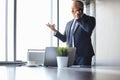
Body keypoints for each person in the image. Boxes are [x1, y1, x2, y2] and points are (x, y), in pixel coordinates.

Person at [46, 0, 96, 66]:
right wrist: (54, 30)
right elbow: (64, 39)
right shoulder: (69, 24)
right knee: (71, 75)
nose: (72, 11)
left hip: (84, 56)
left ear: (80, 9)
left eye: (74, 8)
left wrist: (79, 19)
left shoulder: (90, 19)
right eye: (71, 9)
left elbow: (88, 29)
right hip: (71, 55)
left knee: (84, 75)